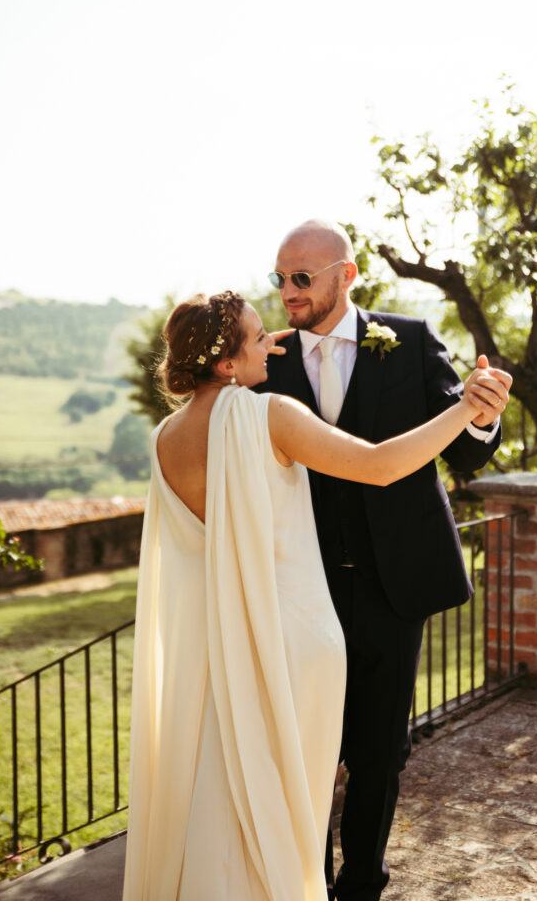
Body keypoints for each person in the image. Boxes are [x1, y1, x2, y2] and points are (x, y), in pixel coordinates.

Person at [121, 289, 510, 901]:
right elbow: (381, 465)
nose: (274, 344)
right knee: (297, 788)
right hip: (295, 637)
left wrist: (239, 350)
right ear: (226, 362)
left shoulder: (165, 437)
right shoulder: (269, 413)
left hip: (218, 640)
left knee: (231, 787)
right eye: (258, 337)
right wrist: (464, 409)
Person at [260, 220, 511, 901]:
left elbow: (464, 448)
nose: (287, 291)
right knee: (307, 746)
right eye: (279, 278)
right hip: (301, 588)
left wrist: (482, 415)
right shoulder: (264, 360)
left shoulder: (409, 340)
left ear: (346, 275)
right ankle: (302, 881)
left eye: (301, 278)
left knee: (380, 752)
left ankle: (362, 882)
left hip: (393, 585)